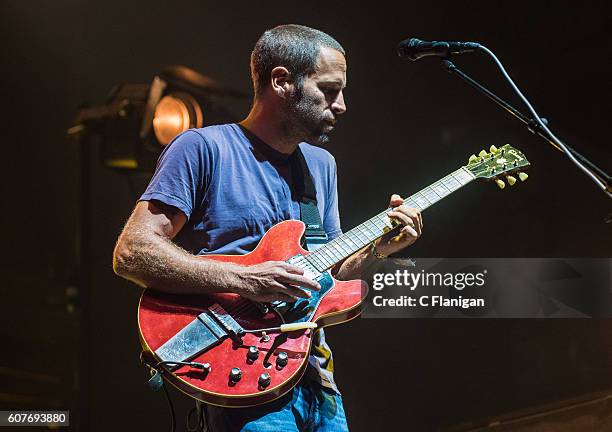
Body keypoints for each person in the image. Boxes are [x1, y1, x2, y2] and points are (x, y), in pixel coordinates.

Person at [113, 24, 423, 432]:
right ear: (280, 82)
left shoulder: (320, 166)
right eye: (329, 90)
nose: (342, 105)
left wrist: (378, 249)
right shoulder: (202, 148)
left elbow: (329, 276)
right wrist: (245, 279)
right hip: (235, 368)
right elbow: (132, 252)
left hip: (315, 376)